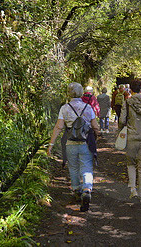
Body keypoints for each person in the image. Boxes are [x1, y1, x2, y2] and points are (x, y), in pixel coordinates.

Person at [48, 82, 99, 211]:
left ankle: (77, 190)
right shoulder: (88, 107)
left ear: (68, 93)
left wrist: (51, 145)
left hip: (70, 143)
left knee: (73, 167)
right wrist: (97, 133)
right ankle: (87, 189)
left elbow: (59, 127)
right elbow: (95, 126)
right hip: (85, 142)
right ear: (81, 92)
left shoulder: (65, 108)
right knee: (86, 166)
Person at [119, 79, 141, 204]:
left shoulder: (128, 102)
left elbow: (122, 121)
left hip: (132, 138)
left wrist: (121, 132)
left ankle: (133, 190)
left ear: (131, 89)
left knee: (131, 164)